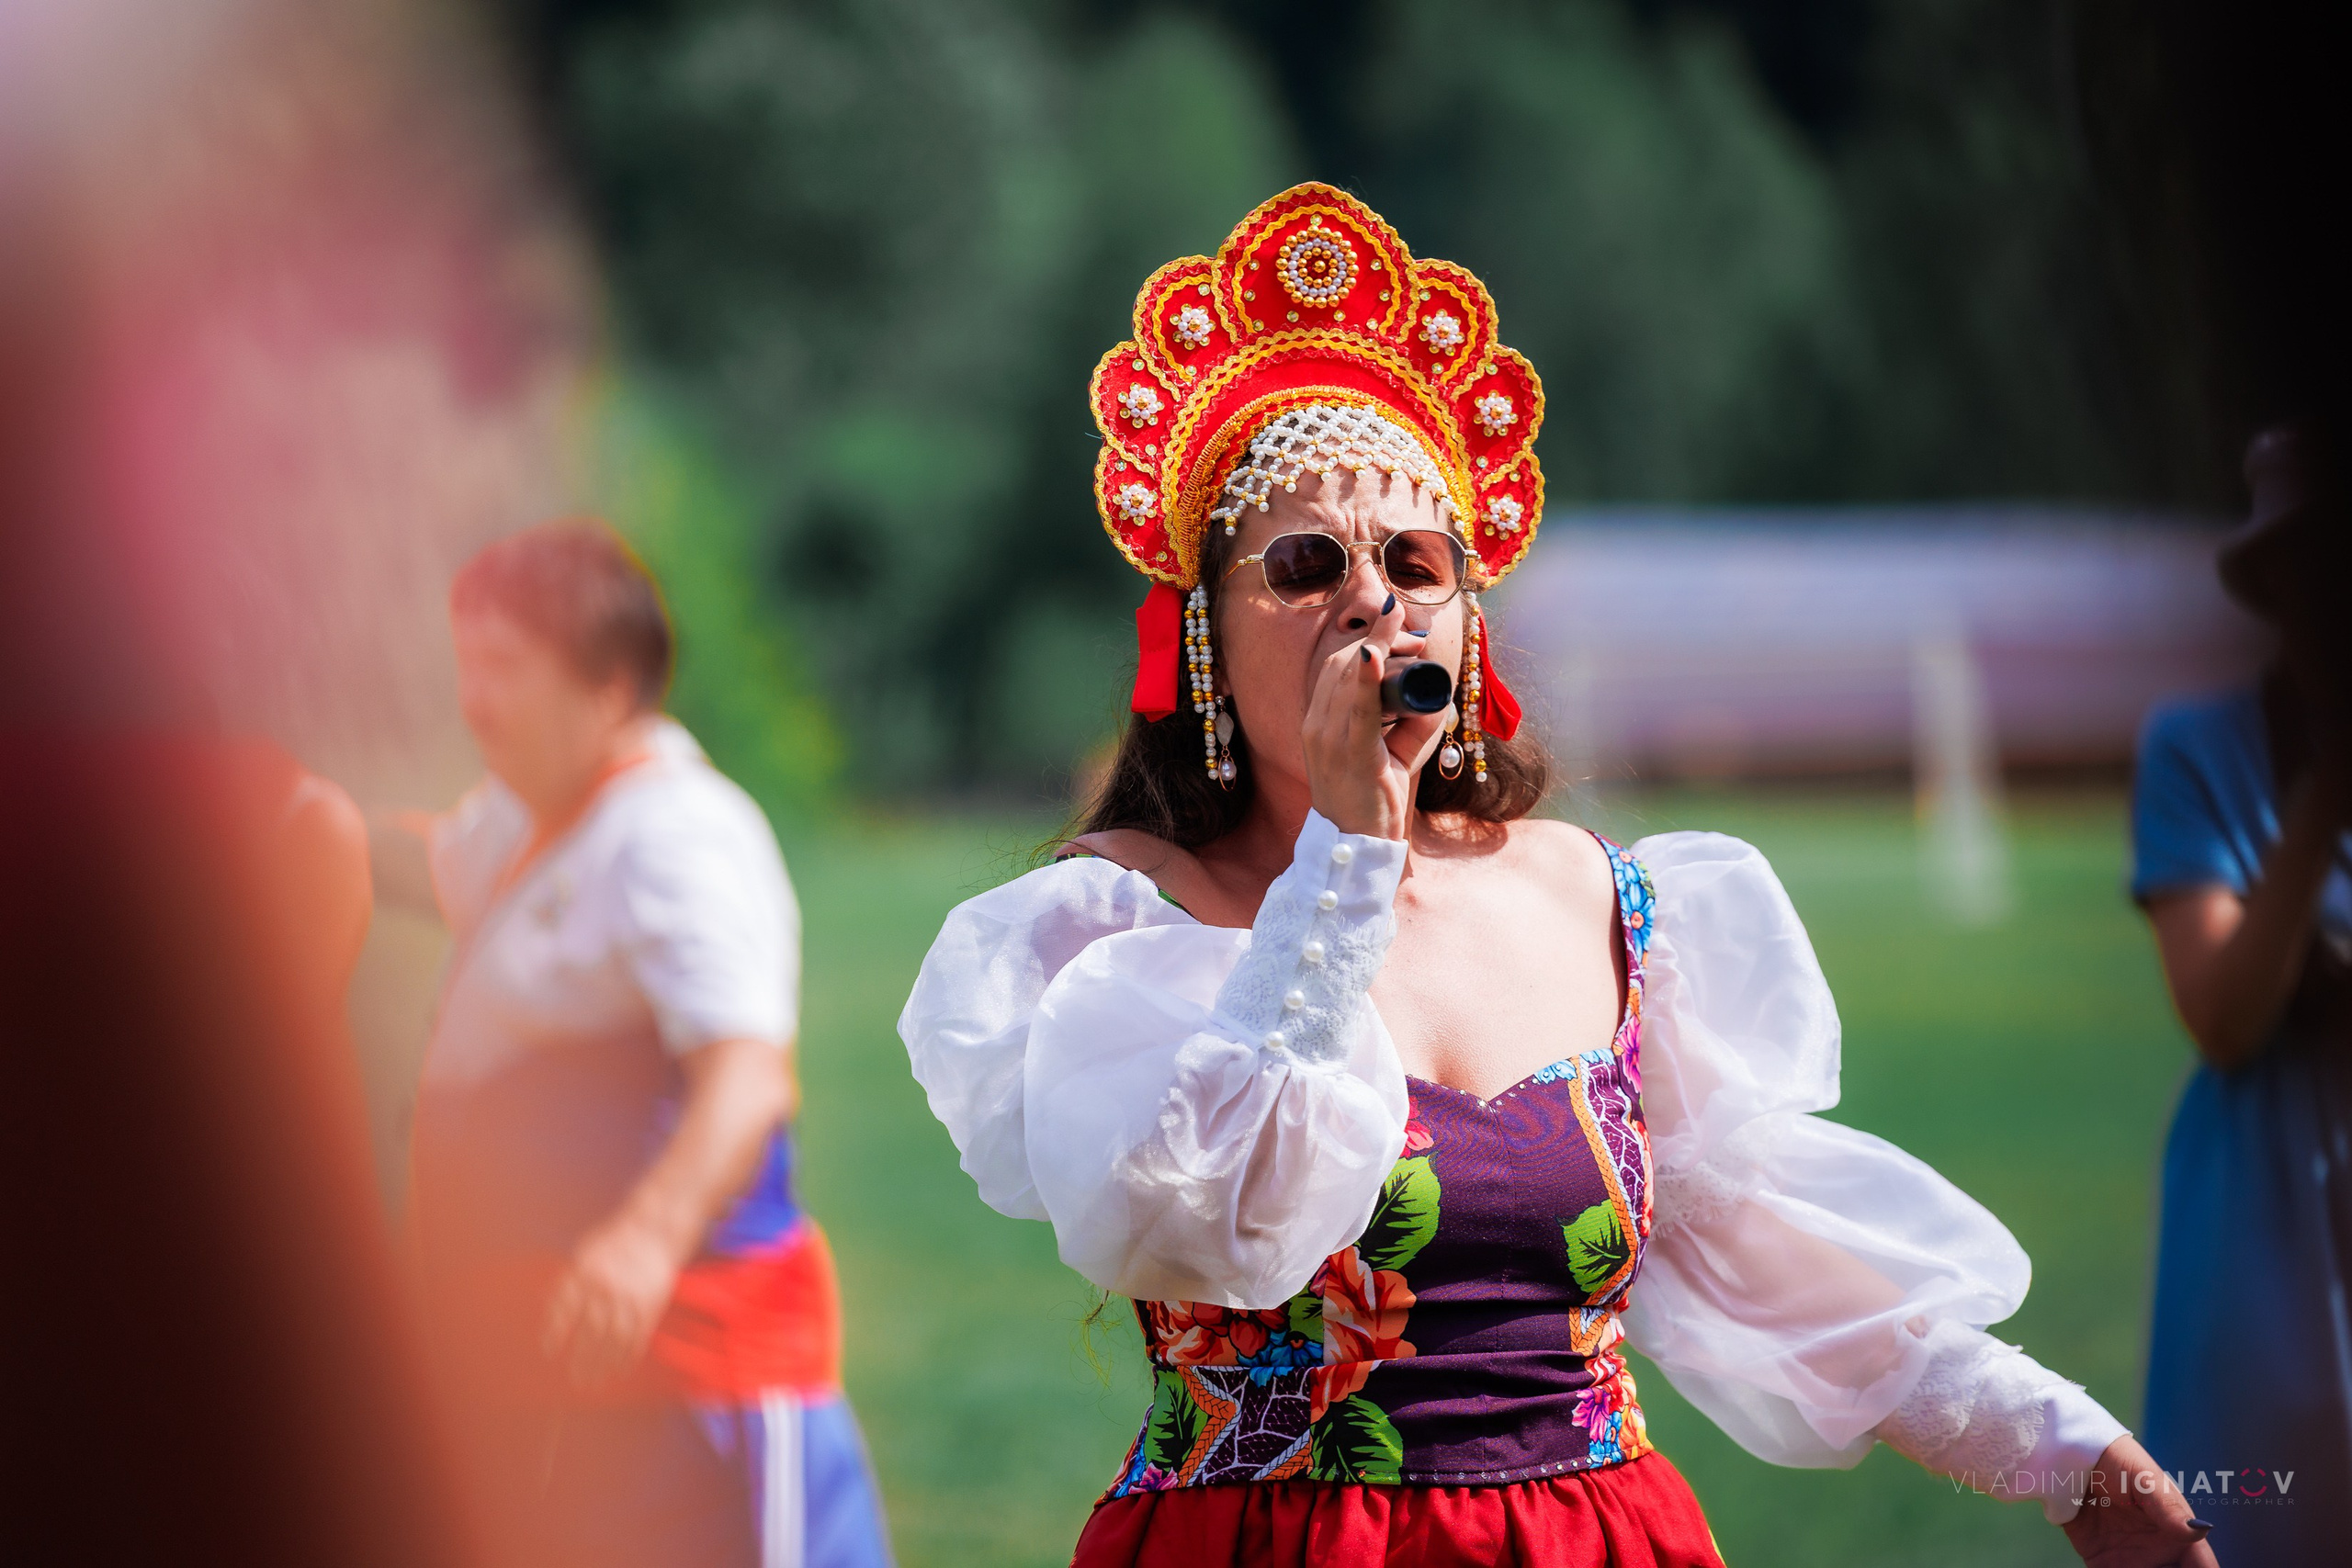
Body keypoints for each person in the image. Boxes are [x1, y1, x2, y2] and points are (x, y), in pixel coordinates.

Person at [898, 185, 2214, 1566]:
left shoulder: (1603, 894)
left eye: (1418, 562)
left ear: (1469, 622)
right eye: (1304, 563)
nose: (1371, 599)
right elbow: (1208, 1222)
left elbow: (1763, 1255)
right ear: (1205, 630)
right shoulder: (1121, 918)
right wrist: (1348, 853)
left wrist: (2075, 1455)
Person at [400, 521, 891, 1568]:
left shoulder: (678, 833)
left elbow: (747, 1077)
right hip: (581, 1393)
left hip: (703, 1395)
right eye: (466, 666)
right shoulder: (535, 823)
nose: (473, 701)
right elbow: (421, 859)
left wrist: (640, 1239)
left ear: (608, 683)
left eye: (504, 670)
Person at [2133, 423, 2352, 1562]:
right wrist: (2324, 791)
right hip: (2265, 1211)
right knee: (2261, 1519)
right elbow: (2223, 1016)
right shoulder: (2203, 749)